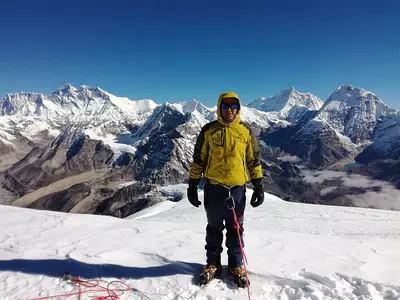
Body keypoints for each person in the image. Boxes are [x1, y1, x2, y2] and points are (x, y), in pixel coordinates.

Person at [187, 91, 264, 287]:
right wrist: (193, 184)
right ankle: (212, 264)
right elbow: (199, 159)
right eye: (225, 106)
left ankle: (236, 265)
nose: (229, 110)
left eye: (233, 106)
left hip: (237, 190)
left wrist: (258, 185)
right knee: (214, 228)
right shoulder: (208, 130)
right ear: (219, 107)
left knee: (235, 229)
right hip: (214, 189)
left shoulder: (245, 131)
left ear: (238, 108)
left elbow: (253, 160)